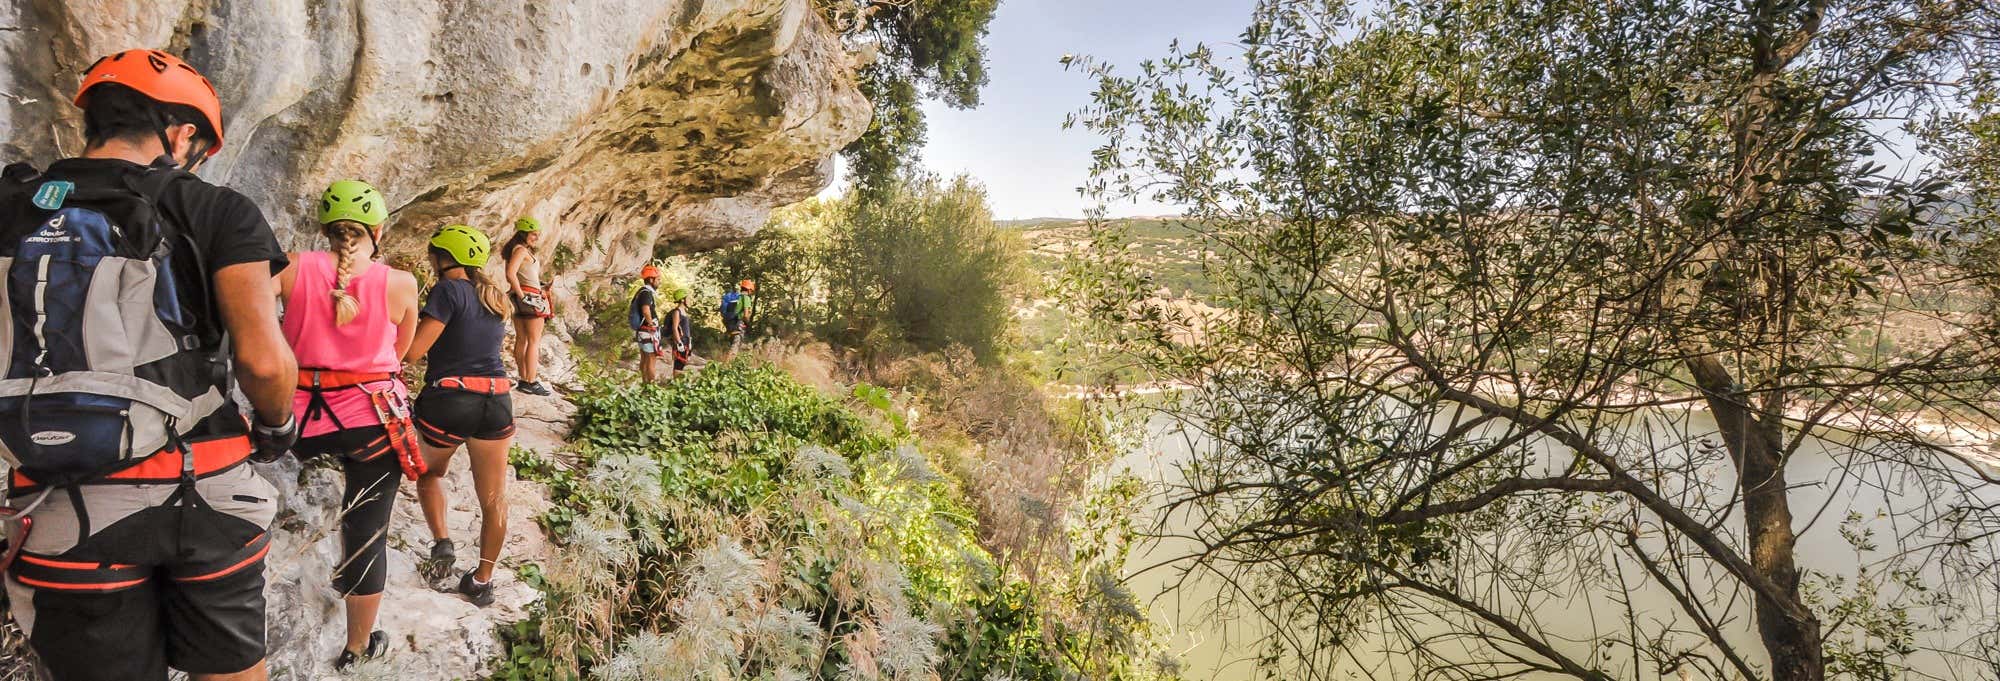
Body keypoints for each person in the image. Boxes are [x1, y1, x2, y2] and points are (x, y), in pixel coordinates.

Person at [0, 49, 298, 681]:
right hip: (206, 486)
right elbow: (264, 362)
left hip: (64, 499)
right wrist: (275, 428)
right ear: (182, 132)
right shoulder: (217, 210)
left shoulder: (13, 205)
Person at [278, 180, 422, 670]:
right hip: (370, 419)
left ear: (325, 229)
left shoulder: (292, 266)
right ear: (377, 230)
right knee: (367, 530)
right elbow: (398, 353)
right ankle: (356, 648)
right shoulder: (400, 283)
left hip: (299, 417)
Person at [406, 225, 514, 608]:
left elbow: (414, 352)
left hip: (451, 398)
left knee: (429, 473)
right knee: (493, 498)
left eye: (433, 253)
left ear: (443, 257)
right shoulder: (494, 296)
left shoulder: (446, 290)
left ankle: (442, 542)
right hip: (497, 399)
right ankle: (482, 581)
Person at [502, 217, 552, 397]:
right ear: (523, 233)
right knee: (533, 341)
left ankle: (524, 379)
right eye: (533, 234)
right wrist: (524, 295)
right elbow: (510, 274)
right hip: (528, 297)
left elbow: (518, 274)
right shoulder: (521, 250)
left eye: (537, 234)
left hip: (519, 296)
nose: (536, 237)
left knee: (522, 339)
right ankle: (530, 381)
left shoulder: (515, 249)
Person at [629, 265, 662, 383]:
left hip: (642, 330)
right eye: (658, 279)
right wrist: (651, 324)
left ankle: (644, 383)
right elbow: (645, 310)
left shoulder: (640, 292)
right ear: (651, 279)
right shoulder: (646, 293)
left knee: (644, 358)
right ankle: (651, 386)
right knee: (651, 359)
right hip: (648, 330)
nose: (659, 282)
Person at [721, 279, 756, 356]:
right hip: (739, 323)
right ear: (749, 289)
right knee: (737, 343)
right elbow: (746, 315)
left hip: (731, 323)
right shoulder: (746, 298)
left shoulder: (738, 297)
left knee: (733, 342)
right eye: (751, 291)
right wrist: (748, 324)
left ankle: (724, 358)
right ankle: (729, 363)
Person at [665, 288, 694, 379]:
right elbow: (675, 327)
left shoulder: (684, 312)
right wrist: (679, 343)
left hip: (686, 341)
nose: (689, 300)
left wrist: (689, 342)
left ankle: (678, 383)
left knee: (683, 364)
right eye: (687, 298)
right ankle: (676, 384)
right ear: (682, 300)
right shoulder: (677, 312)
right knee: (679, 364)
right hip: (680, 342)